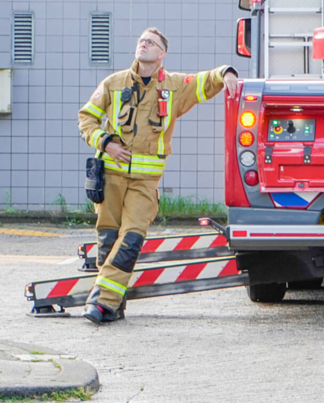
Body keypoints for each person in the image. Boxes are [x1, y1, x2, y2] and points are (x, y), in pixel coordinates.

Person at [77, 28, 239, 324]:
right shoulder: (113, 83)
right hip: (110, 178)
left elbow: (204, 80)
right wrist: (106, 143)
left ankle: (100, 301)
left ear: (162, 54)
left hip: (144, 183)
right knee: (108, 242)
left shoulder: (175, 86)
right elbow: (86, 117)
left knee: (131, 240)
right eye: (141, 41)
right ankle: (113, 305)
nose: (143, 45)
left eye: (151, 43)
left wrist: (226, 72)